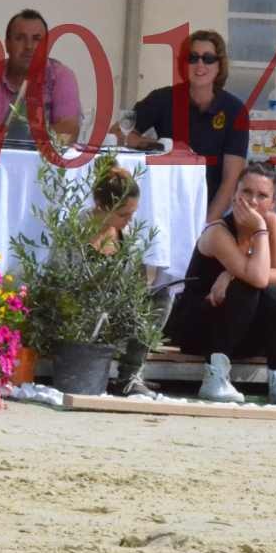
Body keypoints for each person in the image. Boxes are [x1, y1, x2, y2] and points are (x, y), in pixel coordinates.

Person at [165, 162, 276, 406]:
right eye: (246, 192)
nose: (252, 202)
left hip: (243, 331)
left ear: (273, 202)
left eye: (262, 196)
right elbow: (258, 277)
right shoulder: (218, 232)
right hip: (202, 328)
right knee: (248, 287)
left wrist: (230, 274)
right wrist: (260, 230)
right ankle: (214, 377)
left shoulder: (273, 223)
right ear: (234, 195)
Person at [116, 29, 248, 223]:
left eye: (208, 58)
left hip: (212, 212)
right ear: (184, 64)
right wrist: (155, 145)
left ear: (220, 65)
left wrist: (205, 226)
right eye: (192, 58)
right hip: (161, 208)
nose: (200, 64)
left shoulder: (236, 111)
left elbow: (231, 181)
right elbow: (118, 132)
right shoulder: (161, 98)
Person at [89, 166, 167, 397]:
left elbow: (138, 282)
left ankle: (130, 375)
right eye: (123, 214)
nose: (129, 220)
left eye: (132, 214)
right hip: (84, 312)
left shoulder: (129, 237)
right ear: (102, 207)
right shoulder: (77, 229)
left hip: (118, 312)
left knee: (161, 297)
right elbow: (62, 276)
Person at [0, 9, 81, 142]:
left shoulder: (61, 77)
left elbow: (68, 132)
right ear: (7, 44)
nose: (29, 46)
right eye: (20, 38)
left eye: (37, 39)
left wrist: (5, 133)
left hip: (42, 162)